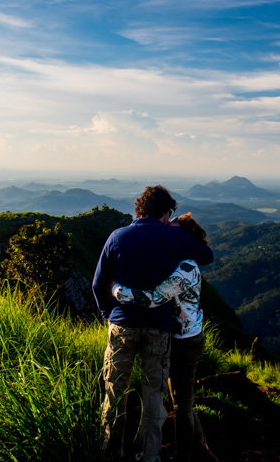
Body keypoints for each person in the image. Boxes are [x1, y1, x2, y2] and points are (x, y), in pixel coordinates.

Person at [93, 186, 214, 462]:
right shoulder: (173, 236)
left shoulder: (117, 236)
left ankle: (110, 453)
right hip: (158, 329)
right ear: (166, 213)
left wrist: (108, 313)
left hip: (122, 324)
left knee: (114, 391)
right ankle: (149, 456)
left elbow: (99, 283)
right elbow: (206, 256)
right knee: (153, 397)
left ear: (139, 210)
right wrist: (178, 233)